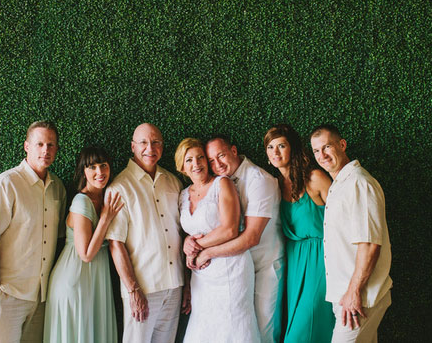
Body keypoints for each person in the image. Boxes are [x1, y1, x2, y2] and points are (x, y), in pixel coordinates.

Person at [0, 121, 67, 343]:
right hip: (8, 294)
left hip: (41, 297)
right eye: (40, 144)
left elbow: (61, 238)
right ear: (27, 146)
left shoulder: (58, 188)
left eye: (51, 145)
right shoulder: (6, 184)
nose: (45, 150)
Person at [184, 136, 283, 342]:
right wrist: (189, 242)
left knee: (260, 330)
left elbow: (250, 238)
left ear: (234, 151)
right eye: (211, 160)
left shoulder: (259, 180)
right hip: (232, 264)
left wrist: (205, 252)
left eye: (221, 155)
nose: (217, 164)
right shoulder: (217, 183)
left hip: (264, 265)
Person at [105, 123, 188, 343]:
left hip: (175, 283)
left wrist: (186, 283)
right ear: (133, 146)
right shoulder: (119, 188)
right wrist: (133, 290)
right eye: (143, 142)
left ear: (162, 146)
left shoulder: (174, 182)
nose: (149, 148)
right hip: (143, 288)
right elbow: (116, 244)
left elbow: (182, 235)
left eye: (155, 142)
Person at [310, 125, 392, 343]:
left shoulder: (359, 183)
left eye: (327, 147)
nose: (322, 155)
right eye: (316, 151)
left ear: (342, 145)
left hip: (360, 298)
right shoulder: (339, 184)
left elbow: (370, 243)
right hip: (347, 297)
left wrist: (354, 292)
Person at [43, 146, 123, 342]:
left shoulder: (105, 197)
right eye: (92, 167)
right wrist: (105, 218)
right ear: (83, 172)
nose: (99, 172)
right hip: (74, 280)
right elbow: (85, 254)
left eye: (103, 166)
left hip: (94, 281)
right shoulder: (81, 202)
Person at [264, 124, 334, 342]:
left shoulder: (314, 178)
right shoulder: (274, 185)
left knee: (302, 331)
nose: (275, 152)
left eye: (281, 146)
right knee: (292, 323)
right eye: (270, 147)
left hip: (321, 260)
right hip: (293, 262)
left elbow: (345, 220)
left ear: (293, 149)